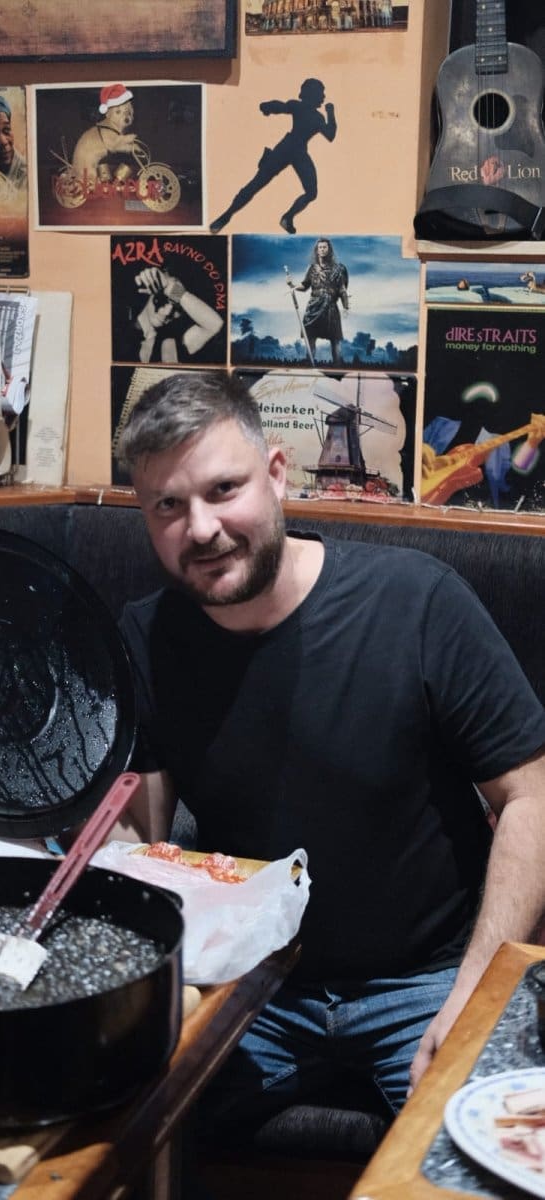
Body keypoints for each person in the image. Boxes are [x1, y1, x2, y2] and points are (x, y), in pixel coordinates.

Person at [113, 371, 545, 1160]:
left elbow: (532, 795)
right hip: (249, 980)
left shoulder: (416, 601)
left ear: (277, 474)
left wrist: (474, 996)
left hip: (426, 977)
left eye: (223, 489)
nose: (200, 528)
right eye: (167, 506)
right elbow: (140, 836)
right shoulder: (143, 637)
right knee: (101, 1133)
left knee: (490, 1161)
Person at [210, 78, 337, 235]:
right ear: (312, 94)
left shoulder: (316, 116)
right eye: (321, 93)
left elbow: (330, 135)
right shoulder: (302, 108)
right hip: (288, 148)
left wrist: (330, 113)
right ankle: (225, 216)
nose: (323, 97)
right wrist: (268, 106)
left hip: (296, 150)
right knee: (257, 183)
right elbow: (282, 106)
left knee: (310, 192)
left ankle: (287, 218)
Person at [117, 266, 224, 364]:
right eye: (164, 299)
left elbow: (215, 325)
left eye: (177, 307)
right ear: (149, 293)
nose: (168, 312)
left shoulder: (178, 342)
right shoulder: (117, 331)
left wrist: (170, 288)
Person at [288, 237, 349, 364]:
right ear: (317, 250)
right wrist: (292, 285)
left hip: (330, 308)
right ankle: (310, 367)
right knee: (310, 338)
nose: (322, 249)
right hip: (313, 308)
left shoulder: (339, 269)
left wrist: (345, 307)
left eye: (324, 247)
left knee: (335, 341)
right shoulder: (312, 268)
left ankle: (337, 369)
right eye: (320, 247)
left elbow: (342, 290)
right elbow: (305, 286)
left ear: (329, 249)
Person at [71, 83, 139, 191]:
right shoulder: (106, 128)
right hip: (85, 167)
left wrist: (130, 146)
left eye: (127, 112)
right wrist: (130, 141)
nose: (125, 117)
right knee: (91, 180)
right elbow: (113, 145)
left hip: (90, 165)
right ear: (108, 114)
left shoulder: (110, 128)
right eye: (118, 112)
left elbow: (115, 144)